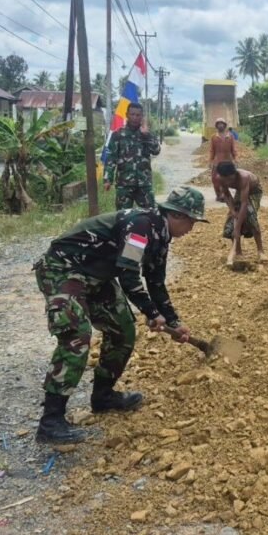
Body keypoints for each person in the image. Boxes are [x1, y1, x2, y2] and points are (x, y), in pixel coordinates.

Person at [33, 187, 208, 443]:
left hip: (96, 276)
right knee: (77, 336)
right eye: (192, 221)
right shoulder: (141, 226)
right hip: (64, 269)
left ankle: (103, 397)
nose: (192, 227)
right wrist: (150, 311)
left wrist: (173, 321)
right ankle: (50, 422)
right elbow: (128, 274)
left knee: (123, 329)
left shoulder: (161, 235)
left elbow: (156, 282)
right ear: (178, 215)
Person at [103, 102, 161, 210]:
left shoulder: (147, 133)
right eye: (132, 114)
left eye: (138, 115)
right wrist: (107, 179)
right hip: (124, 184)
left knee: (151, 214)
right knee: (122, 217)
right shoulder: (118, 135)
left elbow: (156, 151)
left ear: (142, 117)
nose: (135, 117)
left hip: (144, 183)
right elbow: (111, 158)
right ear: (127, 115)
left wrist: (146, 136)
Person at [215, 161, 267, 266]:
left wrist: (238, 228)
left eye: (231, 179)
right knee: (231, 220)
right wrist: (233, 211)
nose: (228, 182)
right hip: (241, 191)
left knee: (249, 214)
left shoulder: (244, 177)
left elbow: (244, 203)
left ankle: (260, 251)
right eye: (226, 180)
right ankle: (238, 251)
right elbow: (226, 195)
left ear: (234, 174)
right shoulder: (220, 178)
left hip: (254, 191)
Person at [208, 118, 237, 201]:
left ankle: (225, 195)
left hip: (227, 161)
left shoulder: (230, 136)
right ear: (216, 126)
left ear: (225, 125)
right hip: (217, 161)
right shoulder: (214, 137)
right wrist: (210, 161)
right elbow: (212, 150)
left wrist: (236, 159)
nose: (220, 125)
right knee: (215, 179)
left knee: (226, 179)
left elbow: (233, 149)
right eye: (218, 124)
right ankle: (218, 195)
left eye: (222, 123)